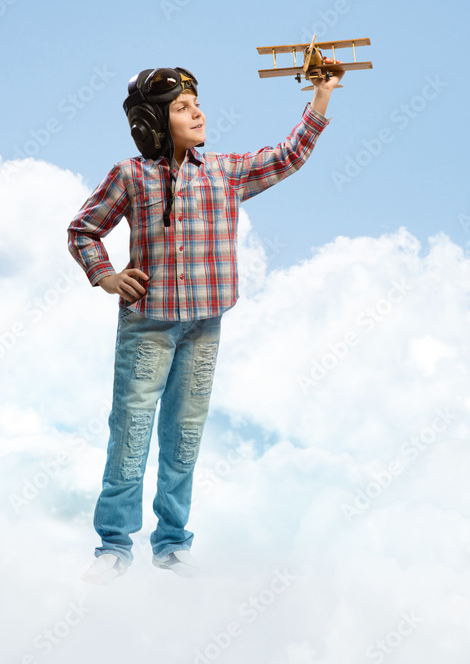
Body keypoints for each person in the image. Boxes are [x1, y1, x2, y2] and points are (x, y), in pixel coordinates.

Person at [68, 61, 342, 583]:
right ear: (151, 122)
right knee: (131, 433)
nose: (197, 113)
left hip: (204, 327)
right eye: (181, 108)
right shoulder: (130, 175)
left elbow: (289, 156)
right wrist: (105, 276)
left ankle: (172, 542)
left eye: (196, 104)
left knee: (184, 435)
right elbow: (83, 230)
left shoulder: (226, 172)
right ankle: (114, 545)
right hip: (149, 326)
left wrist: (321, 97)